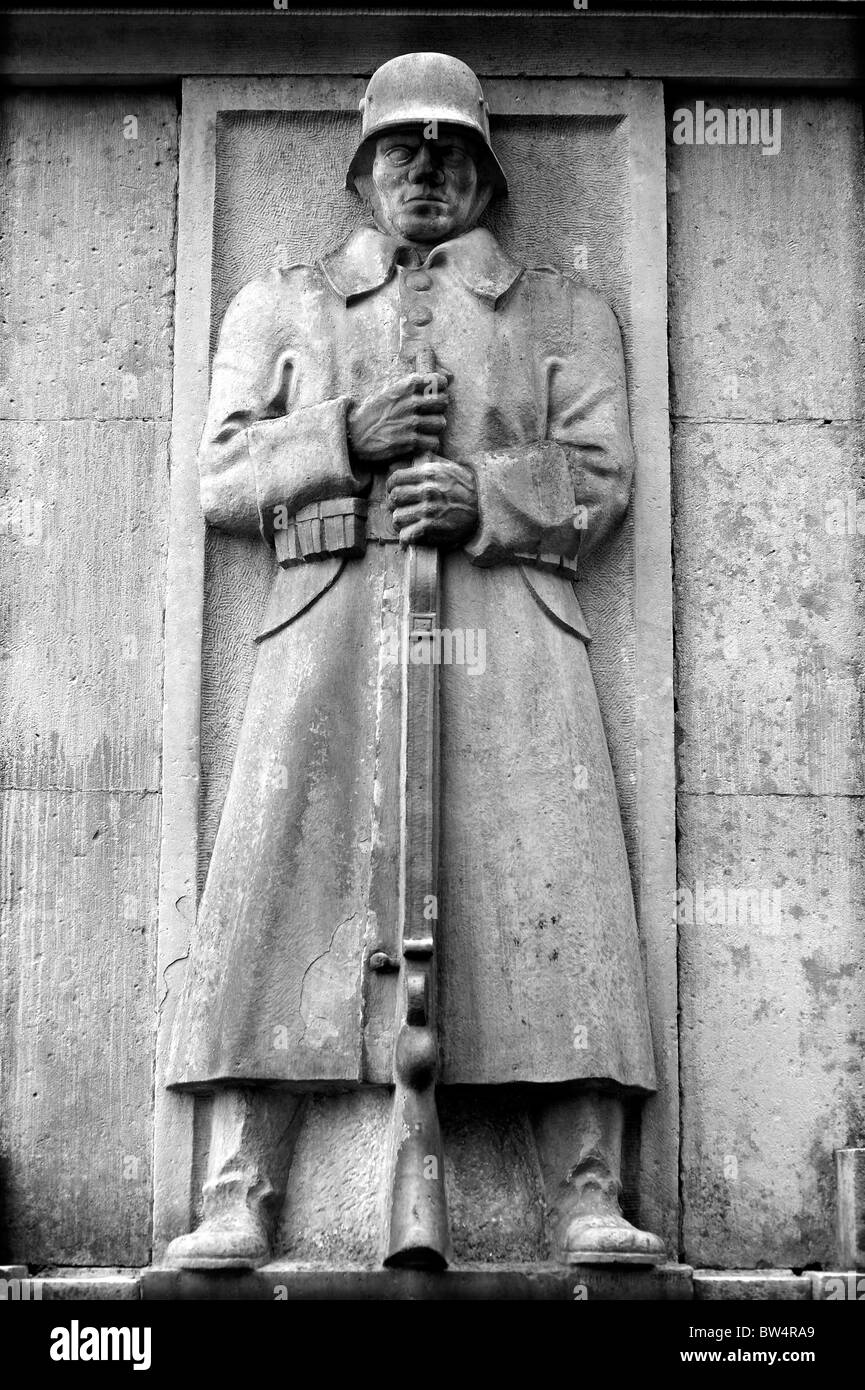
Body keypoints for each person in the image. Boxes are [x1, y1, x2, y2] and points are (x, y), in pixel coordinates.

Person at [165, 52, 664, 1270]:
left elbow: (601, 476)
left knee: (554, 886)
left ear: (486, 168)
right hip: (326, 627)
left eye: (451, 150)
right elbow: (221, 475)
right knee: (277, 893)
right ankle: (239, 1183)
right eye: (403, 148)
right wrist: (344, 432)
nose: (427, 170)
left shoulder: (557, 307)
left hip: (510, 645)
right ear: (363, 167)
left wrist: (484, 490)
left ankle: (587, 1182)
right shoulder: (279, 305)